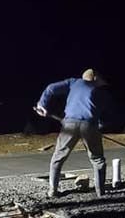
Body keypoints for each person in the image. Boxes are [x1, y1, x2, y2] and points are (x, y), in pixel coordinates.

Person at [35, 69, 111, 198]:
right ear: (94, 78)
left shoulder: (73, 83)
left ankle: (53, 191)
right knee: (97, 159)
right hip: (89, 125)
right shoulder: (98, 91)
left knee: (58, 157)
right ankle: (100, 192)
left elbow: (51, 88)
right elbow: (101, 115)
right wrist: (97, 128)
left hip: (69, 124)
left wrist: (42, 104)